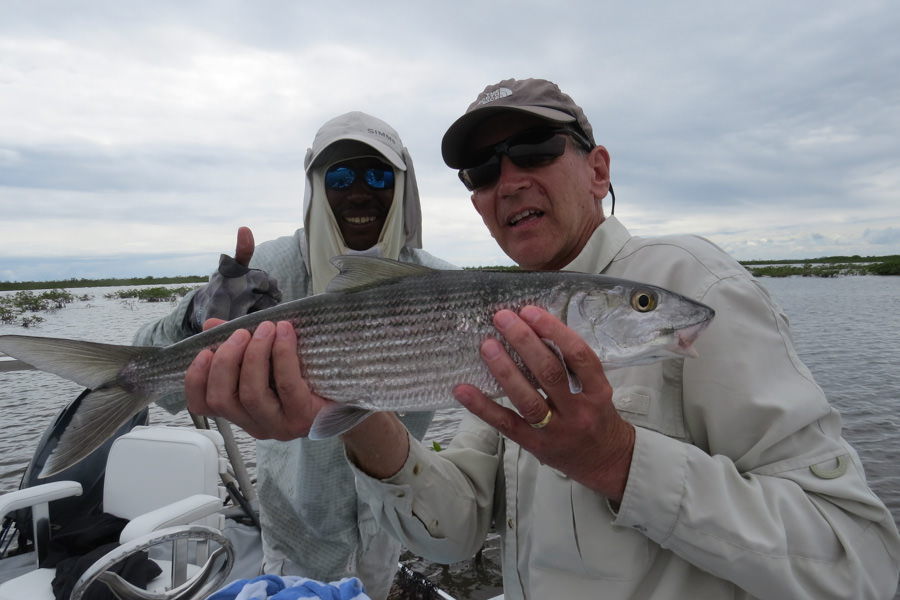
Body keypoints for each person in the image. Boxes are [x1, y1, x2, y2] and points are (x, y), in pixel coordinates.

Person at [184, 80, 900, 599]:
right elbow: (456, 529)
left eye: (534, 147)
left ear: (597, 168)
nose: (509, 178)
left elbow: (864, 563)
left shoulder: (692, 284)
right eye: (484, 168)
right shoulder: (507, 314)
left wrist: (619, 461)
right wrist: (350, 418)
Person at [133, 111, 455, 600]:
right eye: (341, 176)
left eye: (379, 175)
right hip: (295, 531)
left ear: (403, 188)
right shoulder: (267, 269)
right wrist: (197, 316)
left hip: (385, 527)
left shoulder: (440, 284)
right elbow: (144, 360)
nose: (360, 192)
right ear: (316, 185)